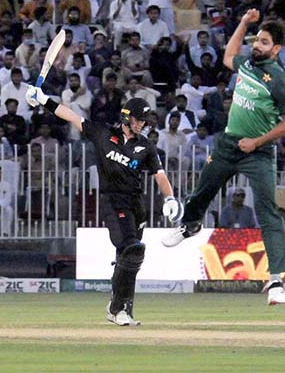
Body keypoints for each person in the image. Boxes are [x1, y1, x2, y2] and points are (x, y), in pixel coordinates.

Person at [162, 9, 285, 306]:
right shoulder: (248, 64)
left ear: (276, 49)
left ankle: (276, 279)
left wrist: (258, 141)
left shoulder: (279, 79)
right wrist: (242, 22)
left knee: (267, 210)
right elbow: (227, 57)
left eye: (263, 42)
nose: (257, 45)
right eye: (257, 40)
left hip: (258, 153)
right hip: (228, 145)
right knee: (202, 190)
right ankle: (190, 225)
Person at [25, 86, 180, 326]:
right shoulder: (102, 134)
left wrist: (169, 197)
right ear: (127, 117)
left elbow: (159, 174)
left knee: (129, 258)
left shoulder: (146, 146)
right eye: (139, 120)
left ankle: (121, 310)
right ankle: (117, 308)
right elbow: (71, 116)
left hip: (136, 204)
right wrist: (44, 100)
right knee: (132, 249)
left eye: (144, 121)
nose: (142, 125)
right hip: (113, 200)